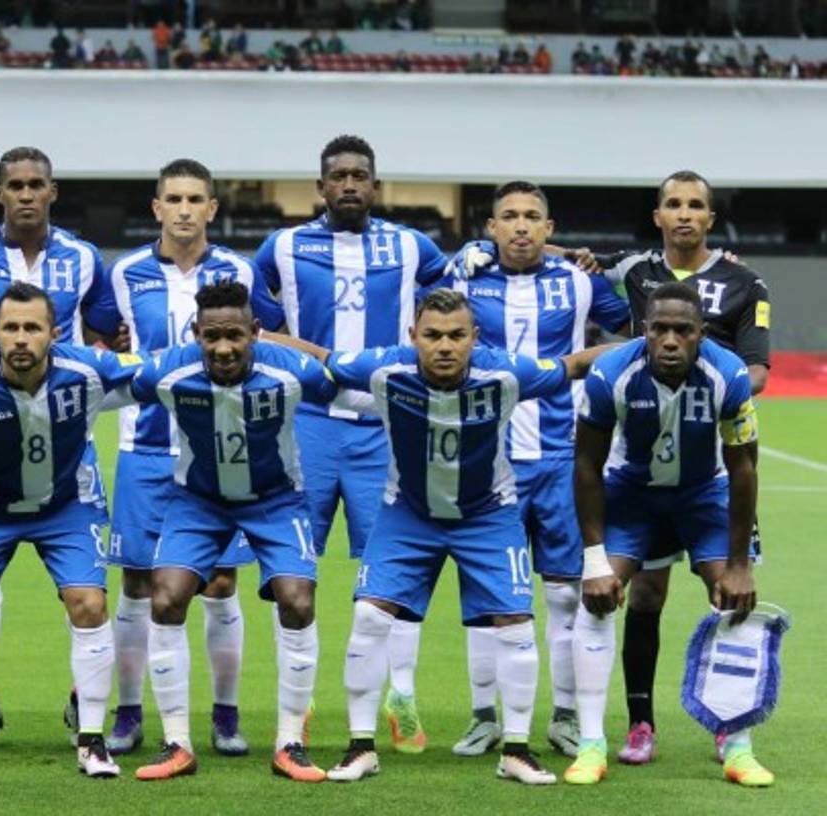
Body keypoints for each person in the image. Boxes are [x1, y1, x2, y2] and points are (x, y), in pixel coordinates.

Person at [267, 288, 612, 784]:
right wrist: (258, 337)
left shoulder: (506, 372)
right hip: (408, 513)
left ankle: (516, 750)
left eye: (456, 336)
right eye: (432, 336)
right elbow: (322, 357)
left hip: (488, 514)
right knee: (367, 617)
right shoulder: (386, 368)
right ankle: (360, 747)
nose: (444, 346)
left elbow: (574, 364)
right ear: (413, 337)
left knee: (515, 623)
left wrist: (640, 346)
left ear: (475, 338)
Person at [84, 159, 286, 757]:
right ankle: (127, 713)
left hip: (220, 450)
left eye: (196, 199)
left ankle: (225, 715)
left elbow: (266, 337)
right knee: (139, 583)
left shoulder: (239, 272)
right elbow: (102, 337)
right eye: (173, 198)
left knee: (222, 584)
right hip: (144, 446)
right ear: (156, 208)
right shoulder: (123, 274)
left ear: (212, 209)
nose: (185, 209)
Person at [254, 135, 448, 752]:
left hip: (387, 429)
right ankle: (300, 701)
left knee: (395, 569)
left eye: (359, 176)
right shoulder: (283, 246)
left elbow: (459, 292)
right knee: (294, 568)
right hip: (306, 425)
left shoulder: (412, 247)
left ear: (375, 184)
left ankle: (402, 697)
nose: (349, 185)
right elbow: (258, 321)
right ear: (320, 187)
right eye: (337, 176)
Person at [441, 182, 631, 759]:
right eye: (508, 217)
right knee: (485, 595)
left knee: (566, 595)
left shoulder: (578, 281)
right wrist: (456, 263)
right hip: (485, 456)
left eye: (532, 218)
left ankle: (566, 715)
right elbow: (428, 324)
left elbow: (638, 325)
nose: (520, 226)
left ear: (549, 229)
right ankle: (483, 717)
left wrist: (588, 263)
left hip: (561, 458)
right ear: (490, 227)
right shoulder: (465, 279)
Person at [0, 146, 116, 750]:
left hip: (65, 434)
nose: (24, 194)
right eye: (14, 184)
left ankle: (86, 702)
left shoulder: (84, 258)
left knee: (87, 596)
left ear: (52, 191)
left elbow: (105, 335)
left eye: (35, 184)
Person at [128, 280, 339, 783]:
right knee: (165, 598)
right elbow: (107, 386)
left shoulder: (290, 373)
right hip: (197, 502)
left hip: (276, 500)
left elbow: (344, 381)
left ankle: (290, 742)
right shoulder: (167, 372)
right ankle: (176, 742)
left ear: (256, 333)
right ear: (195, 333)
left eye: (236, 336)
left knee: (298, 600)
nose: (224, 348)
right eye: (212, 336)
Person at [0, 282, 142, 777]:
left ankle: (92, 739)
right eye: (10, 328)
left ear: (55, 333)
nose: (21, 338)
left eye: (32, 328)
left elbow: (157, 369)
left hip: (68, 506)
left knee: (89, 604)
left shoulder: (90, 368)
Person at [564, 282, 772, 787]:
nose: (671, 340)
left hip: (705, 496)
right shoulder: (611, 374)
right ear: (644, 331)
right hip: (633, 494)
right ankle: (592, 744)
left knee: (733, 600)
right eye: (660, 329)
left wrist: (740, 565)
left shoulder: (728, 376)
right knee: (597, 597)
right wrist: (593, 559)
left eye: (683, 330)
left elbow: (743, 468)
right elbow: (587, 465)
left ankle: (737, 744)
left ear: (701, 334)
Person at [600, 170, 771, 765]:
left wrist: (713, 394)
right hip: (643, 464)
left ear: (710, 217)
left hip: (715, 453)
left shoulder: (746, 281)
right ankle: (638, 724)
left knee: (731, 590)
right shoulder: (631, 272)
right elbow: (563, 263)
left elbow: (756, 370)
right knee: (645, 597)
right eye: (673, 203)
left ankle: (732, 728)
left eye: (695, 205)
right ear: (658, 215)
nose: (684, 214)